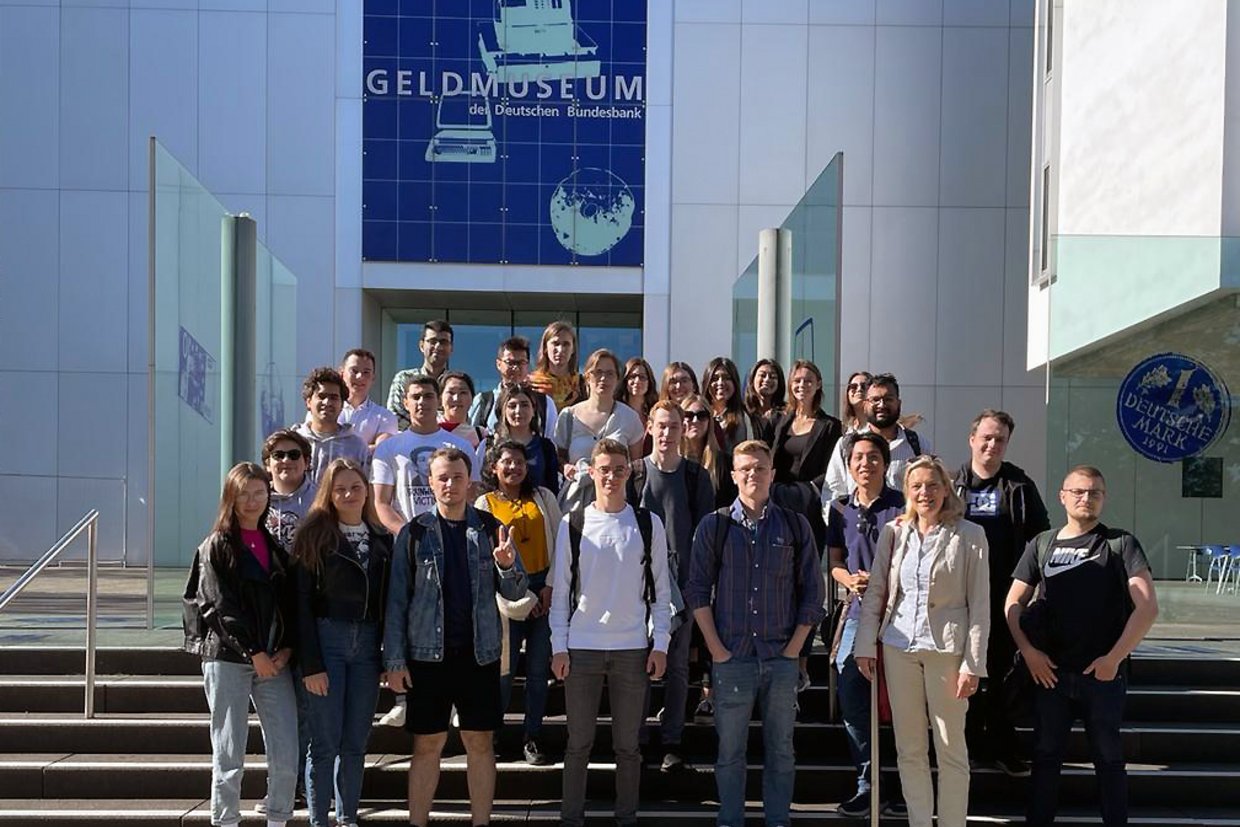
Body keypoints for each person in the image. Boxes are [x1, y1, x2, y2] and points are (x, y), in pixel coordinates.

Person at [382, 447, 529, 827]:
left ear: (470, 481)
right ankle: (418, 822)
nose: (450, 484)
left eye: (457, 477)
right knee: (427, 744)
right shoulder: (413, 533)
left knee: (479, 744)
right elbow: (397, 602)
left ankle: (481, 822)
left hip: (479, 656)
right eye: (442, 478)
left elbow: (516, 593)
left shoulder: (488, 526)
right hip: (427, 657)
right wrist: (394, 662)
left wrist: (507, 565)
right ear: (430, 483)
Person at [1006, 466, 1158, 827]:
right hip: (1051, 676)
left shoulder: (1121, 543)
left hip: (1102, 676)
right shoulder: (1042, 543)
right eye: (1077, 491)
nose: (1085, 498)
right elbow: (1012, 604)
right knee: (1044, 759)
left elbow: (1148, 607)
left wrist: (1114, 659)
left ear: (1104, 498)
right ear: (1062, 496)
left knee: (1108, 759)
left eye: (1093, 493)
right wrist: (1028, 652)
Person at [685, 439, 825, 827]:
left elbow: (814, 592)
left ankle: (777, 820)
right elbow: (697, 590)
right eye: (744, 468)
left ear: (772, 474)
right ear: (733, 476)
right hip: (732, 659)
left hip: (781, 659)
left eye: (759, 468)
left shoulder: (795, 526)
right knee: (730, 752)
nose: (752, 475)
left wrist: (793, 651)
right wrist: (716, 649)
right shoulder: (715, 526)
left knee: (781, 751)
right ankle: (731, 821)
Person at [854, 455, 989, 827]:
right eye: (917, 486)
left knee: (950, 750)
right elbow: (878, 589)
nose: (925, 492)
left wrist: (973, 663)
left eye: (932, 485)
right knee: (909, 749)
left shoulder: (970, 535)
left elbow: (979, 605)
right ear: (907, 492)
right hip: (899, 649)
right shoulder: (894, 532)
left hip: (947, 652)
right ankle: (918, 822)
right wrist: (866, 644)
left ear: (946, 489)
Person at [550, 439, 671, 827]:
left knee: (628, 747)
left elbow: (661, 590)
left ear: (629, 473)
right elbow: (561, 592)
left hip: (632, 648)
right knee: (577, 745)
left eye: (619, 469)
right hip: (581, 648)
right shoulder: (573, 523)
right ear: (592, 472)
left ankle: (626, 818)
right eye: (604, 469)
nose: (611, 477)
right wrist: (559, 647)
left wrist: (661, 644)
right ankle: (572, 819)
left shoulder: (648, 523)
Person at [185, 462, 297, 827]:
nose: (252, 501)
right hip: (229, 657)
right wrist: (254, 651)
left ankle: (278, 819)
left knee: (285, 748)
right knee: (228, 751)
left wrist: (285, 648)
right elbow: (217, 606)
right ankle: (226, 821)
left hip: (274, 661)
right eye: (244, 493)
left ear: (269, 496)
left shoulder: (273, 545)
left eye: (259, 493)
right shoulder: (216, 545)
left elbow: (289, 603)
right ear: (230, 497)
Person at [293, 459, 392, 827]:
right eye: (340, 489)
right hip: (327, 641)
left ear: (367, 490)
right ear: (329, 494)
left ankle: (348, 818)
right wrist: (311, 665)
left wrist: (388, 656)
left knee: (355, 742)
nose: (348, 494)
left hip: (367, 647)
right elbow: (300, 606)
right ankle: (319, 820)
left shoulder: (382, 539)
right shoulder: (314, 536)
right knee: (324, 744)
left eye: (355, 487)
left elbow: (389, 602)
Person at [952, 409, 1051, 776]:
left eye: (1000, 440)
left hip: (1006, 596)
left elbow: (1041, 538)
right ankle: (968, 745)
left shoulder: (1020, 486)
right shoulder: (951, 484)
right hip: (959, 597)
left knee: (999, 672)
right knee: (965, 670)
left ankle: (1001, 746)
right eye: (987, 438)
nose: (993, 445)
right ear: (972, 439)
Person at [626, 401, 715, 771]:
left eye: (674, 426)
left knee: (678, 665)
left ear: (683, 430)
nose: (666, 433)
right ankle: (637, 737)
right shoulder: (633, 474)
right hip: (637, 586)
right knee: (638, 664)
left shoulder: (696, 477)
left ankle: (672, 739)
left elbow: (707, 536)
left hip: (682, 586)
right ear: (649, 427)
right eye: (660, 426)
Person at [825, 432, 906, 819]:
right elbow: (835, 562)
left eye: (873, 457)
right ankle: (868, 784)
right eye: (857, 458)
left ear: (885, 463)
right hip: (857, 614)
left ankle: (907, 785)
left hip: (901, 619)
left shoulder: (902, 505)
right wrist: (847, 580)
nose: (865, 464)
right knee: (851, 691)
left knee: (906, 702)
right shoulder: (839, 509)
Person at [475, 439, 563, 766]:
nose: (513, 468)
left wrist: (549, 588)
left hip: (543, 590)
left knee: (539, 669)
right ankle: (493, 733)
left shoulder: (544, 498)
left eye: (519, 462)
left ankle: (533, 736)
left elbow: (562, 545)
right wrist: (516, 592)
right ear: (494, 467)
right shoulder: (483, 504)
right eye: (506, 462)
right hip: (504, 595)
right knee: (503, 671)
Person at [372, 375, 480, 536]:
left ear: (438, 401)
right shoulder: (388, 448)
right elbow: (381, 503)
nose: (422, 402)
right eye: (416, 397)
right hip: (407, 542)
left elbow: (471, 496)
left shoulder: (461, 446)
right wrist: (408, 534)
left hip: (453, 538)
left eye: (428, 396)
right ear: (405, 403)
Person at [553, 349, 645, 510]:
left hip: (616, 504)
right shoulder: (568, 416)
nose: (603, 378)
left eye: (610, 373)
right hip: (575, 504)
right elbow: (559, 458)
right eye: (598, 372)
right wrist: (566, 467)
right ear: (588, 377)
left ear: (617, 379)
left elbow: (636, 467)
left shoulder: (629, 417)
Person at [824, 372, 931, 499]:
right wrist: (843, 518)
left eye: (888, 399)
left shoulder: (918, 444)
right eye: (875, 400)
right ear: (865, 405)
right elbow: (832, 491)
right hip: (859, 518)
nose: (882, 405)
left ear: (899, 403)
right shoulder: (846, 444)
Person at [469, 335, 558, 436]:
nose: (515, 368)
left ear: (528, 365)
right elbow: (472, 440)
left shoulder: (544, 403)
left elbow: (550, 440)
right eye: (510, 363)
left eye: (521, 363)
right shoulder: (483, 402)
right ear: (498, 364)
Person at [294, 367, 370, 482]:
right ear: (308, 402)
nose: (327, 402)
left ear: (342, 404)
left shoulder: (356, 446)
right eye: (321, 396)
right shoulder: (294, 442)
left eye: (333, 398)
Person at [492, 384, 561, 494]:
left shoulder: (545, 447)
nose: (518, 411)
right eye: (512, 406)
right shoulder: (492, 445)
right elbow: (485, 486)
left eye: (524, 405)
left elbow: (552, 488)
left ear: (533, 410)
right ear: (503, 411)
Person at [386, 320, 453, 430]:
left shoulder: (454, 384)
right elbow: (396, 417)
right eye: (432, 341)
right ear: (422, 346)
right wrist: (427, 430)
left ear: (451, 348)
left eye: (443, 342)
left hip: (447, 444)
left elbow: (461, 417)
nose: (438, 346)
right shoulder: (404, 378)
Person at [263, 429, 317, 552]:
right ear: (267, 464)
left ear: (307, 462)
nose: (286, 460)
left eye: (294, 455)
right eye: (278, 455)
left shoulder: (320, 498)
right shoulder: (258, 499)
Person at [681, 394, 736, 510]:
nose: (695, 421)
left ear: (709, 421)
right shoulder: (673, 461)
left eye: (702, 415)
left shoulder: (725, 463)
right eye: (689, 415)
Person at [338, 348, 398, 450]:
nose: (360, 376)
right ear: (341, 373)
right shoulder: (326, 409)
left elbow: (381, 451)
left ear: (373, 377)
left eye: (366, 372)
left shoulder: (385, 417)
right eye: (354, 371)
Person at [702, 356, 758, 454]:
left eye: (727, 378)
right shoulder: (698, 415)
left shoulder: (744, 417)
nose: (720, 383)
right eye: (715, 378)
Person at [528, 320, 586, 410]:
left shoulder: (583, 385)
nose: (560, 350)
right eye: (555, 343)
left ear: (573, 349)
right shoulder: (531, 384)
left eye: (566, 344)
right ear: (545, 348)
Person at [438, 370, 488, 470]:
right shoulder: (428, 430)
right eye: (451, 392)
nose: (456, 398)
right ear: (440, 399)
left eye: (463, 393)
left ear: (472, 398)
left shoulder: (481, 435)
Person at [617, 356, 658, 456]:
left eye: (642, 377)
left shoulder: (655, 413)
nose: (637, 381)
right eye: (632, 376)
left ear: (649, 382)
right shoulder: (617, 412)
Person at [743, 358, 786, 429]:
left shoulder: (786, 413)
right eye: (762, 375)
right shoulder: (743, 412)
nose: (767, 380)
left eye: (773, 377)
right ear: (752, 380)